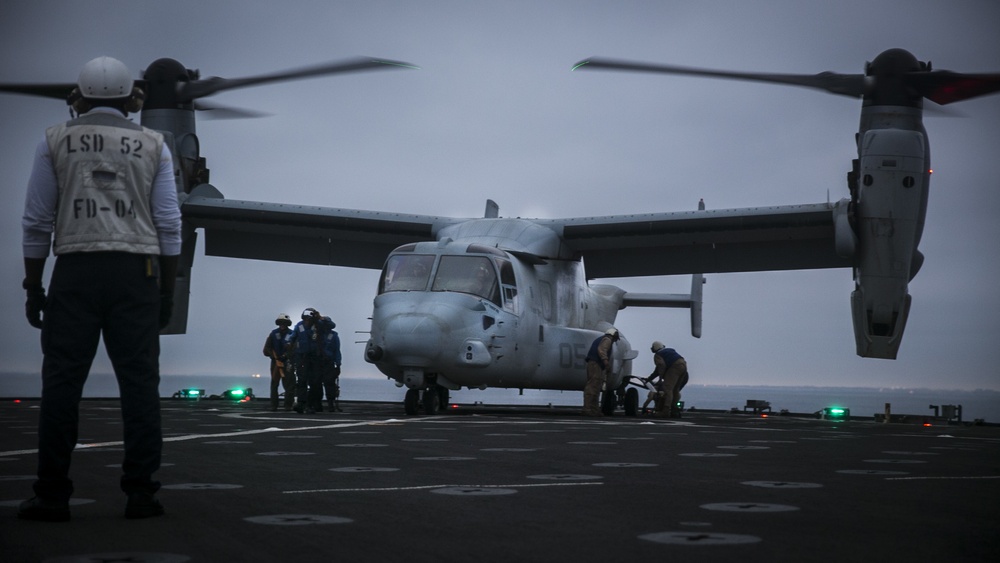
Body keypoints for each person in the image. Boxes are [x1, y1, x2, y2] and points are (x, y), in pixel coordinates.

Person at [18, 57, 181, 521]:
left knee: (62, 385)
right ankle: (141, 493)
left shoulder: (54, 140)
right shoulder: (154, 145)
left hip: (76, 271)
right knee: (140, 386)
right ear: (133, 98)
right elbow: (169, 224)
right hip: (138, 273)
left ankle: (51, 494)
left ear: (79, 96)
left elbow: (36, 221)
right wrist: (166, 292)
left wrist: (34, 285)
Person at [290, 308, 324, 413]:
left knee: (314, 382)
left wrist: (321, 317)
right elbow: (292, 337)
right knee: (301, 380)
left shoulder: (318, 325)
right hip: (302, 357)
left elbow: (332, 325)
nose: (307, 321)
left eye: (309, 319)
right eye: (305, 319)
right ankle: (301, 403)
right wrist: (288, 343)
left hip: (314, 357)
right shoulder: (299, 326)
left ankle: (311, 404)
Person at [582, 328, 620, 416]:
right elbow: (601, 350)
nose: (614, 341)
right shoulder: (607, 339)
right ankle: (588, 409)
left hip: (595, 364)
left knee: (596, 386)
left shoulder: (602, 339)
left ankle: (593, 409)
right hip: (596, 364)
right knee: (593, 385)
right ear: (613, 335)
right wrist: (606, 361)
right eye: (615, 338)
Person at [263, 313, 295, 411]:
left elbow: (294, 348)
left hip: (288, 362)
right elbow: (266, 348)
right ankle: (274, 405)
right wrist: (274, 357)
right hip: (275, 363)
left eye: (284, 323)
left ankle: (288, 405)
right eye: (280, 323)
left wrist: (285, 356)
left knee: (289, 385)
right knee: (274, 384)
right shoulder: (273, 334)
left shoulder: (292, 334)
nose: (282, 325)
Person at [649, 341, 689, 418]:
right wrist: (650, 378)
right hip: (683, 364)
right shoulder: (670, 351)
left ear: (655, 348)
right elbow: (657, 370)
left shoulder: (658, 355)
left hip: (675, 367)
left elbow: (661, 366)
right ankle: (675, 410)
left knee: (668, 389)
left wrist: (660, 379)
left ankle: (665, 411)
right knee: (675, 390)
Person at [319, 316, 342, 412]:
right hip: (317, 362)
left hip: (329, 363)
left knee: (330, 384)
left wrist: (338, 363)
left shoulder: (334, 336)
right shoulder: (317, 335)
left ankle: (331, 403)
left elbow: (337, 350)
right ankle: (317, 404)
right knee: (316, 384)